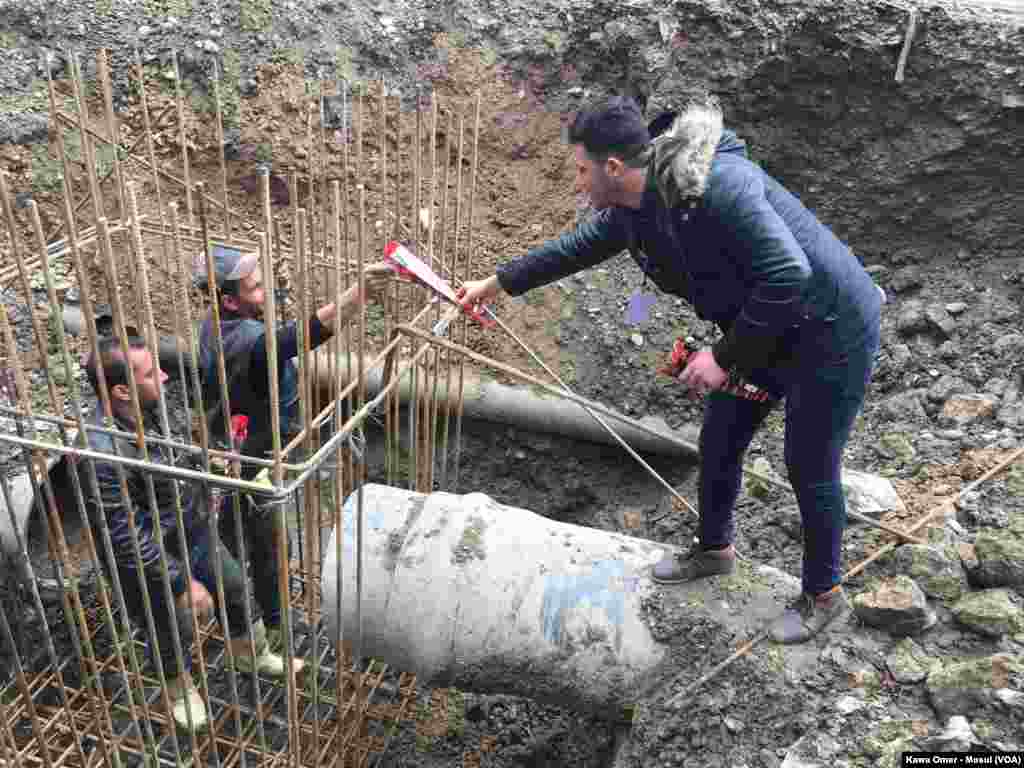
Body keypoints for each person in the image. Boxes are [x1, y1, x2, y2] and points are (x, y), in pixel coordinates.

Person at [458, 96, 882, 644]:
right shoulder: (639, 207)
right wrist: (497, 283)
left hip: (830, 331)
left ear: (613, 168)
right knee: (723, 435)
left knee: (808, 462)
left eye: (581, 169)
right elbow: (580, 246)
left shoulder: (718, 186)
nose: (578, 182)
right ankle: (714, 551)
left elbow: (789, 274)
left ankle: (823, 595)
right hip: (765, 328)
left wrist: (721, 357)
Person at [79, 337, 294, 733]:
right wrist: (181, 581)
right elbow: (124, 534)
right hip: (146, 553)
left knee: (233, 587)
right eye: (150, 373)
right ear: (121, 391)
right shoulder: (101, 452)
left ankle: (252, 653)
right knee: (167, 623)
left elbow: (179, 448)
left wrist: (205, 458)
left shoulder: (154, 405)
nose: (163, 376)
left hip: (191, 525)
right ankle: (178, 690)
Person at [194, 245, 392, 652]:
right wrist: (360, 293)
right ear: (229, 300)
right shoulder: (249, 342)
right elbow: (304, 334)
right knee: (264, 537)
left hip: (236, 436)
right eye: (255, 287)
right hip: (261, 448)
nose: (265, 290)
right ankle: (268, 623)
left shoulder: (213, 324)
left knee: (238, 529)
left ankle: (241, 606)